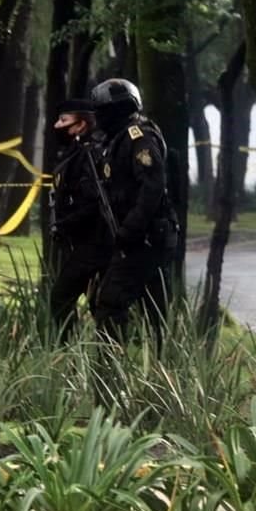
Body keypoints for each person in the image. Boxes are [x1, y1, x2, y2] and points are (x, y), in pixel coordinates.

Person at [89, 78, 179, 346]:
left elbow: (152, 187)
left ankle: (109, 375)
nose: (99, 117)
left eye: (103, 111)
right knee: (153, 308)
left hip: (147, 236)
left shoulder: (139, 137)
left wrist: (130, 228)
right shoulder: (116, 139)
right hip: (139, 235)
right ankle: (158, 369)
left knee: (110, 301)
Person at [48, 98, 112, 341]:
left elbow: (94, 200)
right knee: (94, 301)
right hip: (82, 241)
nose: (57, 126)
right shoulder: (76, 152)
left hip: (93, 241)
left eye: (64, 121)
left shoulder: (90, 154)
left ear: (81, 124)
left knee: (62, 297)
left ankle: (70, 356)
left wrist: (66, 223)